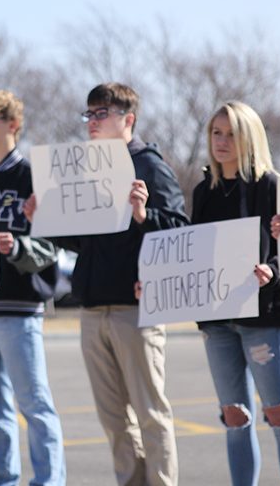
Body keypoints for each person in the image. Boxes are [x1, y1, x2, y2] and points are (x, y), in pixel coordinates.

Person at [24, 83, 187, 486]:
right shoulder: (85, 166)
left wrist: (143, 214)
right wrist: (42, 220)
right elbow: (82, 242)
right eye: (89, 114)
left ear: (128, 119)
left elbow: (180, 230)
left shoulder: (150, 166)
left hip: (138, 308)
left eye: (102, 113)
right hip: (93, 307)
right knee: (114, 418)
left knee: (150, 413)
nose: (92, 121)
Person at [194, 102, 280, 486]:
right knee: (234, 417)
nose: (222, 142)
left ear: (250, 139)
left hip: (265, 317)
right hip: (219, 321)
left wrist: (272, 268)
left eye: (231, 134)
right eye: (216, 133)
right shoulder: (204, 191)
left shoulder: (272, 186)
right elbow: (194, 252)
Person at [0, 90, 66, 486]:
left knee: (34, 402)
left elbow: (53, 244)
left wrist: (18, 245)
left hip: (19, 307)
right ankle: (2, 477)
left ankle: (48, 480)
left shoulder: (30, 176)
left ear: (13, 125)